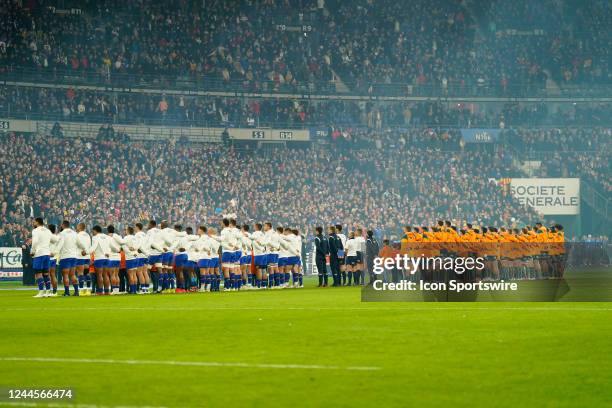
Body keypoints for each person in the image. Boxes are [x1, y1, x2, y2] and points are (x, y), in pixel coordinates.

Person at [31, 217, 56, 298]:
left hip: (39, 253)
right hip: (47, 254)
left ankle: (41, 292)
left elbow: (35, 241)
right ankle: (48, 292)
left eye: (34, 222)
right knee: (46, 273)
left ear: (37, 222)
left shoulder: (35, 230)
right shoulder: (47, 230)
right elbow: (54, 240)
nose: (33, 223)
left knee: (38, 273)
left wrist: (33, 251)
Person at [56, 220, 79, 296]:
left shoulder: (61, 234)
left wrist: (55, 252)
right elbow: (79, 243)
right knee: (72, 274)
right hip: (74, 256)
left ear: (63, 225)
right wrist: (85, 249)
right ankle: (76, 292)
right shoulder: (74, 233)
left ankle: (67, 292)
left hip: (65, 256)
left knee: (65, 274)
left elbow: (60, 244)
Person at [90, 225, 110, 295]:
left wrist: (86, 252)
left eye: (93, 231)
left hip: (99, 258)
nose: (92, 232)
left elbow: (93, 247)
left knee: (99, 275)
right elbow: (109, 246)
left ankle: (100, 291)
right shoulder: (107, 237)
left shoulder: (95, 237)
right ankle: (107, 291)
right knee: (106, 275)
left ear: (95, 230)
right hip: (107, 258)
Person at [75, 222, 92, 295]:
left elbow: (78, 244)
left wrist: (83, 250)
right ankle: (88, 290)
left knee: (80, 273)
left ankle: (81, 290)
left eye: (77, 226)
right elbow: (89, 245)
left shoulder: (78, 235)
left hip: (80, 255)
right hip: (87, 256)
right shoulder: (88, 235)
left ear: (79, 227)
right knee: (87, 273)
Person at [107, 225, 123, 295]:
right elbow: (122, 243)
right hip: (118, 257)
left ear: (108, 230)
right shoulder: (117, 236)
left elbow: (110, 246)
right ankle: (117, 290)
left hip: (112, 256)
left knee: (112, 274)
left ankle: (114, 290)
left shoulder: (108, 237)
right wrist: (119, 249)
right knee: (116, 274)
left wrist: (116, 250)